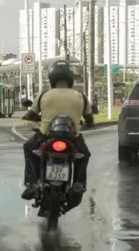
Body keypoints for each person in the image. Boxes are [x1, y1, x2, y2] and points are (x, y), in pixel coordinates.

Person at [21, 60, 94, 201]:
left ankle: (31, 184)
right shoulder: (81, 97)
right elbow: (90, 120)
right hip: (73, 138)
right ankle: (78, 184)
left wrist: (34, 118)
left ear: (52, 79)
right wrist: (86, 124)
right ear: (71, 79)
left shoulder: (44, 95)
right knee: (84, 155)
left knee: (29, 148)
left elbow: (30, 115)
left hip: (46, 137)